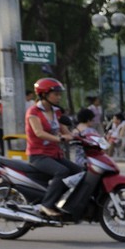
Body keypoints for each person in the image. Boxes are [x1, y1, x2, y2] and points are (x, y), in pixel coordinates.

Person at [25, 78, 79, 218]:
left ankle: (60, 199)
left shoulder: (57, 112)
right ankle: (46, 205)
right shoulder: (33, 112)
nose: (58, 97)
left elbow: (65, 131)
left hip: (55, 154)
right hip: (38, 155)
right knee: (62, 171)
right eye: (56, 94)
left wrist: (77, 136)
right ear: (44, 94)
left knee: (79, 172)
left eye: (59, 94)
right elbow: (39, 132)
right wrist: (59, 138)